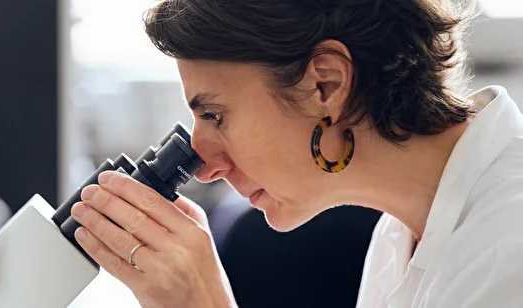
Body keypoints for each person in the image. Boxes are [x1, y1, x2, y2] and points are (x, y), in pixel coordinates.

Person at [68, 0, 523, 307]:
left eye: (214, 115)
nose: (204, 166)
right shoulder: (401, 234)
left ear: (325, 85)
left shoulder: (508, 247)